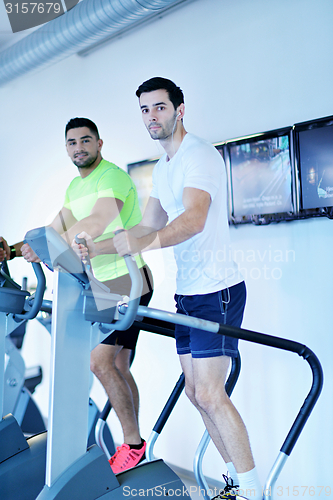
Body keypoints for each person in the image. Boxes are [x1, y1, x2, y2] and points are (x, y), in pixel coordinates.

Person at [83, 78, 261, 499]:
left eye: (160, 108)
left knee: (211, 394)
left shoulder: (198, 156)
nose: (152, 117)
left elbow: (194, 218)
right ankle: (236, 486)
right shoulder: (163, 168)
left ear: (180, 110)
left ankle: (254, 492)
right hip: (188, 292)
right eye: (145, 110)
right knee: (198, 396)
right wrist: (98, 248)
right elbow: (145, 226)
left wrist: (143, 242)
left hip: (217, 290)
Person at [0, 117, 152, 474]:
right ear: (67, 148)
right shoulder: (75, 187)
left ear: (100, 143)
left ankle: (132, 444)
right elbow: (54, 230)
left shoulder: (111, 176)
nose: (79, 147)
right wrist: (16, 250)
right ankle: (136, 442)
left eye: (86, 140)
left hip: (125, 281)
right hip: (101, 284)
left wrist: (54, 246)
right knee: (116, 365)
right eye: (72, 143)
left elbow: (96, 223)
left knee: (99, 362)